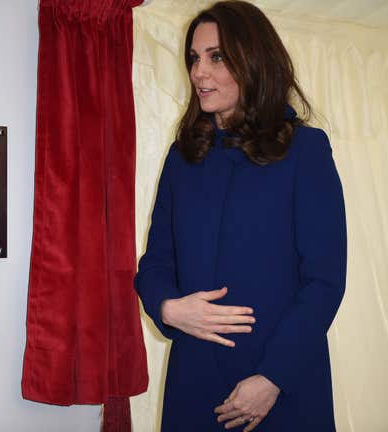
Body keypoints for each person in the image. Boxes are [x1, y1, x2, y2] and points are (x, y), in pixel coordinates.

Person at [134, 1, 347, 431]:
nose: (198, 72)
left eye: (216, 57)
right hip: (194, 385)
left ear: (254, 61)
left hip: (281, 388)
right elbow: (155, 264)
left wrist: (272, 378)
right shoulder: (183, 157)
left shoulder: (304, 151)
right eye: (194, 58)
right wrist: (168, 309)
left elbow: (324, 280)